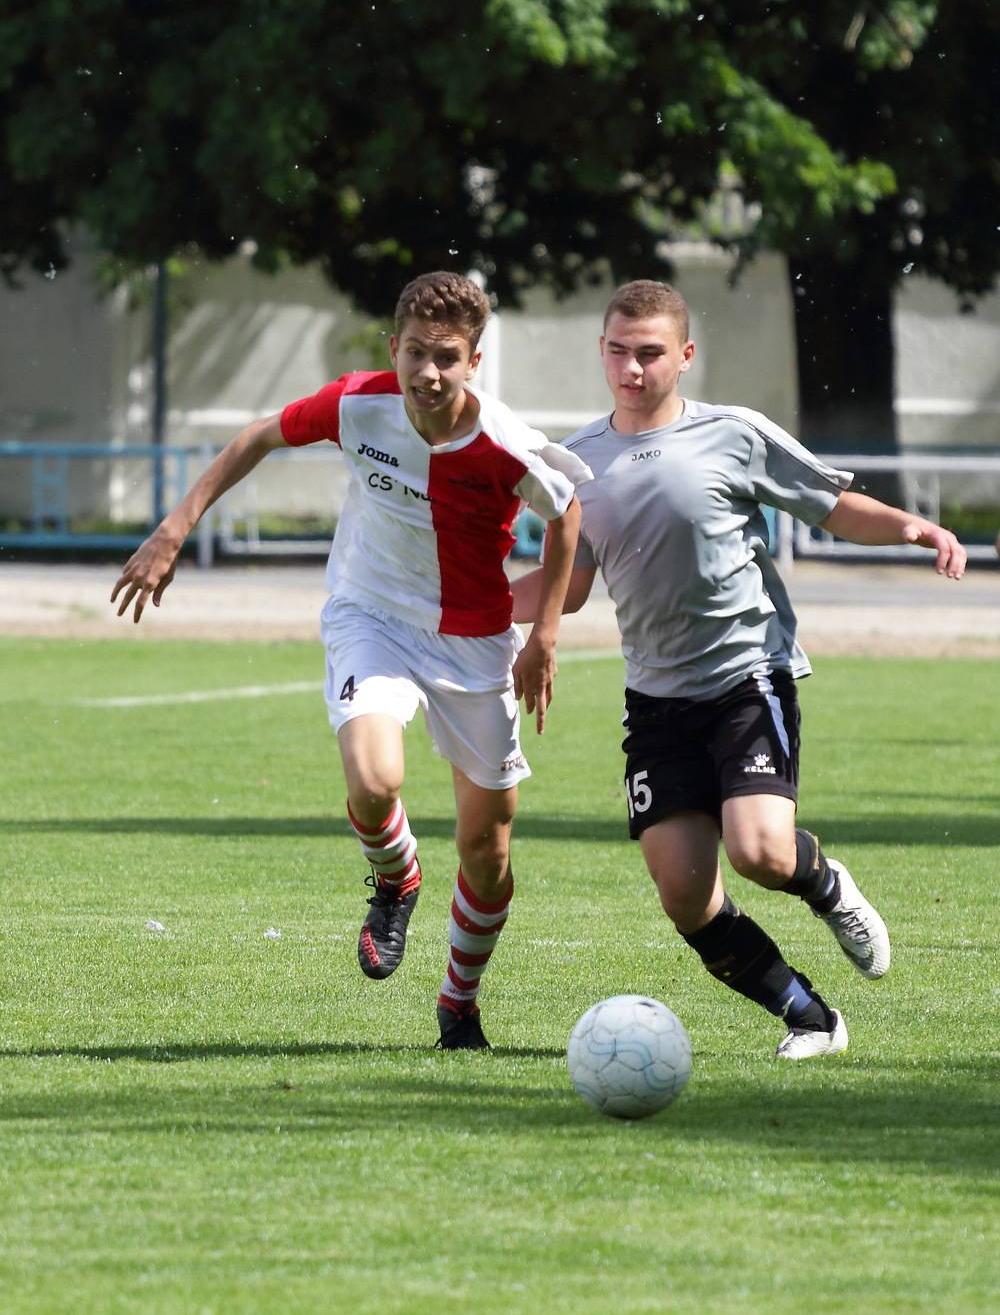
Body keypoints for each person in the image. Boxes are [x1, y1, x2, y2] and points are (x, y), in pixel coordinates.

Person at [112, 271, 587, 1050]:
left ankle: (458, 1003)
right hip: (371, 616)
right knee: (373, 781)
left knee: (487, 850)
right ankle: (397, 878)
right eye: (416, 353)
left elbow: (566, 514)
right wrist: (174, 529)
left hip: (474, 641)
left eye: (447, 357)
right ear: (392, 347)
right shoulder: (356, 404)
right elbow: (257, 437)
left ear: (473, 362)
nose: (428, 372)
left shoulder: (504, 444)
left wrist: (545, 638)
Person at [512, 279, 967, 1060]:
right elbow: (569, 585)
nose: (632, 369)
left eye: (650, 353)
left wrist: (912, 528)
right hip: (655, 701)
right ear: (601, 351)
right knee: (685, 896)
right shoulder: (575, 465)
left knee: (760, 853)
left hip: (747, 678)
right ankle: (811, 1017)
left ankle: (826, 885)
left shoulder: (733, 433)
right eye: (618, 351)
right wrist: (463, 604)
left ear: (685, 355)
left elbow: (830, 505)